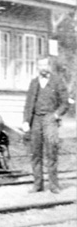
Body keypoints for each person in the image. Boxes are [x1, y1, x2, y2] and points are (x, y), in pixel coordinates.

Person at [22, 57, 69, 193]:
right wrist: (26, 121)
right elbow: (28, 104)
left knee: (51, 152)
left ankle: (53, 185)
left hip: (50, 119)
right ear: (37, 67)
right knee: (35, 153)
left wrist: (56, 115)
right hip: (35, 120)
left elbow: (65, 102)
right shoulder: (34, 83)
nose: (42, 67)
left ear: (49, 66)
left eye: (45, 65)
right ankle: (38, 184)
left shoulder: (57, 81)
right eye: (40, 65)